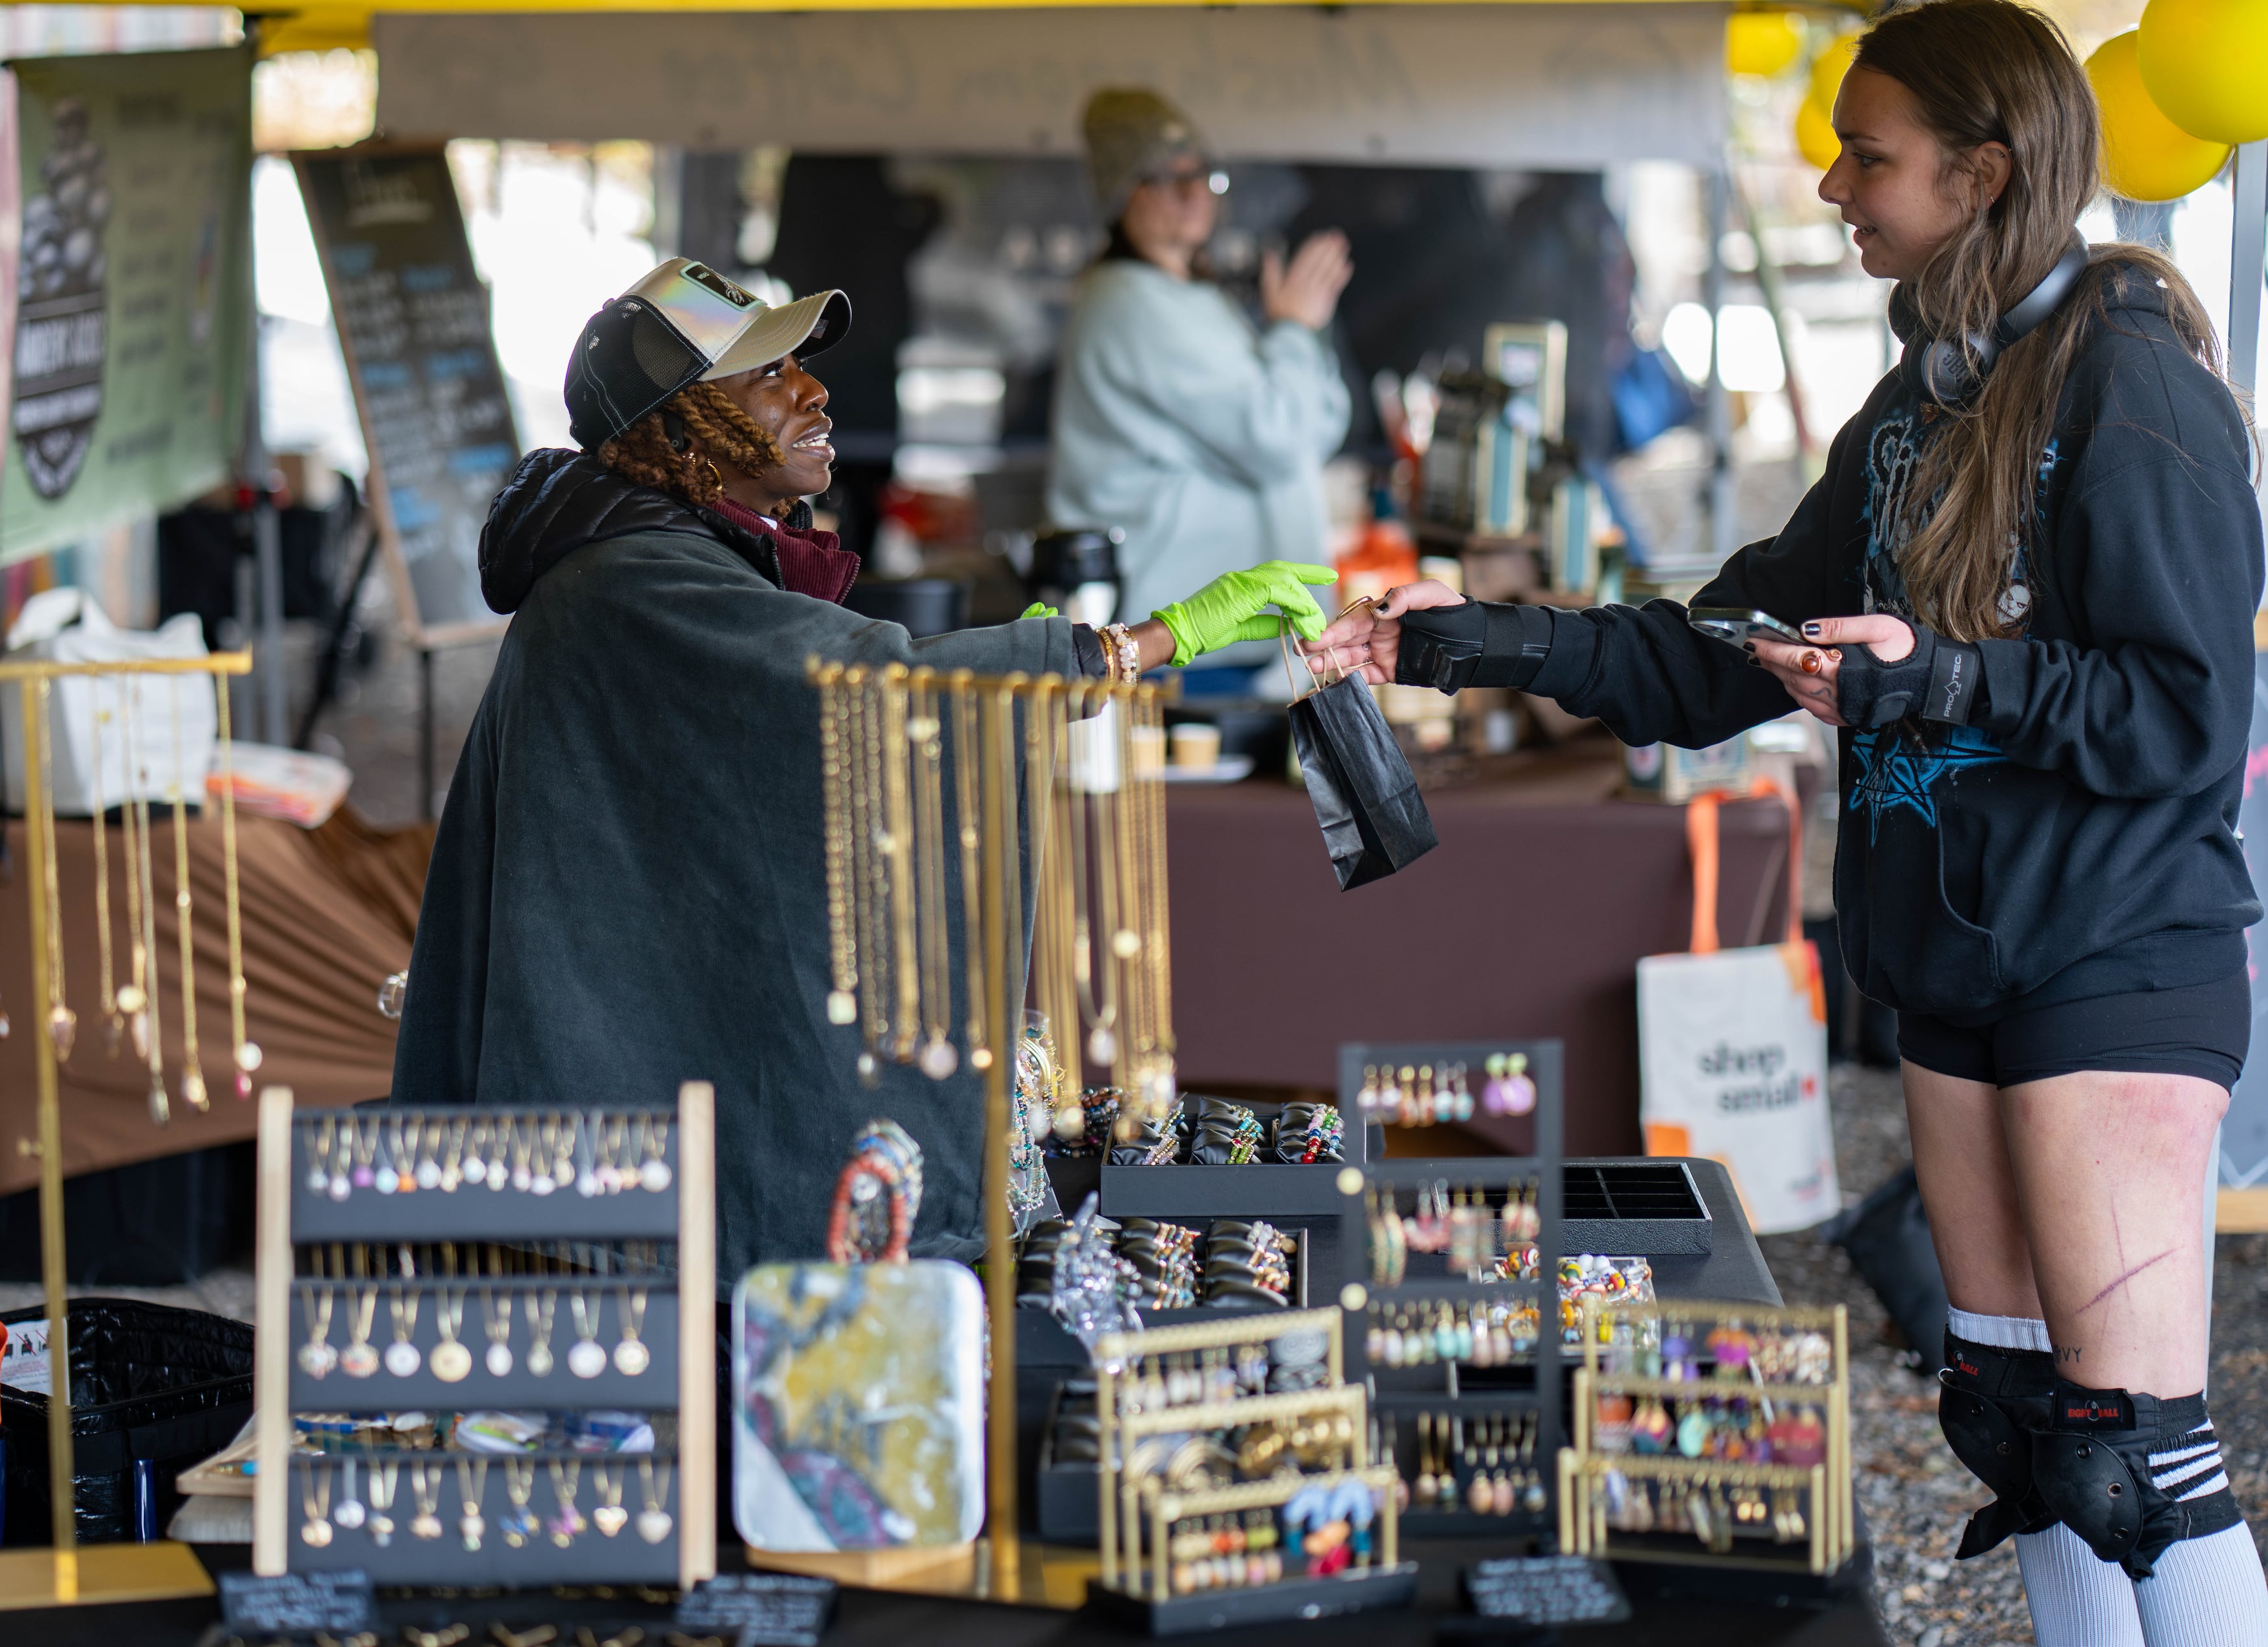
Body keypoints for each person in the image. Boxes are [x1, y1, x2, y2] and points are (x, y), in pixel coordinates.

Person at [1309, 3, 2268, 1639]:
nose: (1828, 182)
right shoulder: (1908, 409)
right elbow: (1727, 646)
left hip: (2111, 955)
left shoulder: (2131, 390)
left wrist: (1940, 681)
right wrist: (1474, 635)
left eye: (1864, 154)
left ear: (1980, 173)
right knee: (2018, 1431)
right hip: (1955, 963)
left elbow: (2186, 719)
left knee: (2129, 1456)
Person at [391, 257, 1332, 1281]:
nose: (814, 392)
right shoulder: (633, 578)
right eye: (767, 377)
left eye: (799, 367)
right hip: (600, 1159)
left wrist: (1015, 669)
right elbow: (863, 688)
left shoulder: (656, 554)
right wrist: (1148, 640)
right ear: (680, 427)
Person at [1047, 88, 1354, 677]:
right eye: (1163, 177)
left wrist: (1301, 334)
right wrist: (1292, 330)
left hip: (1226, 635)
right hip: (1183, 638)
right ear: (1120, 195)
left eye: (1202, 174)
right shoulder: (1132, 303)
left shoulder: (1191, 298)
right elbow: (1278, 437)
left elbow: (1316, 429)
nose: (1192, 193)